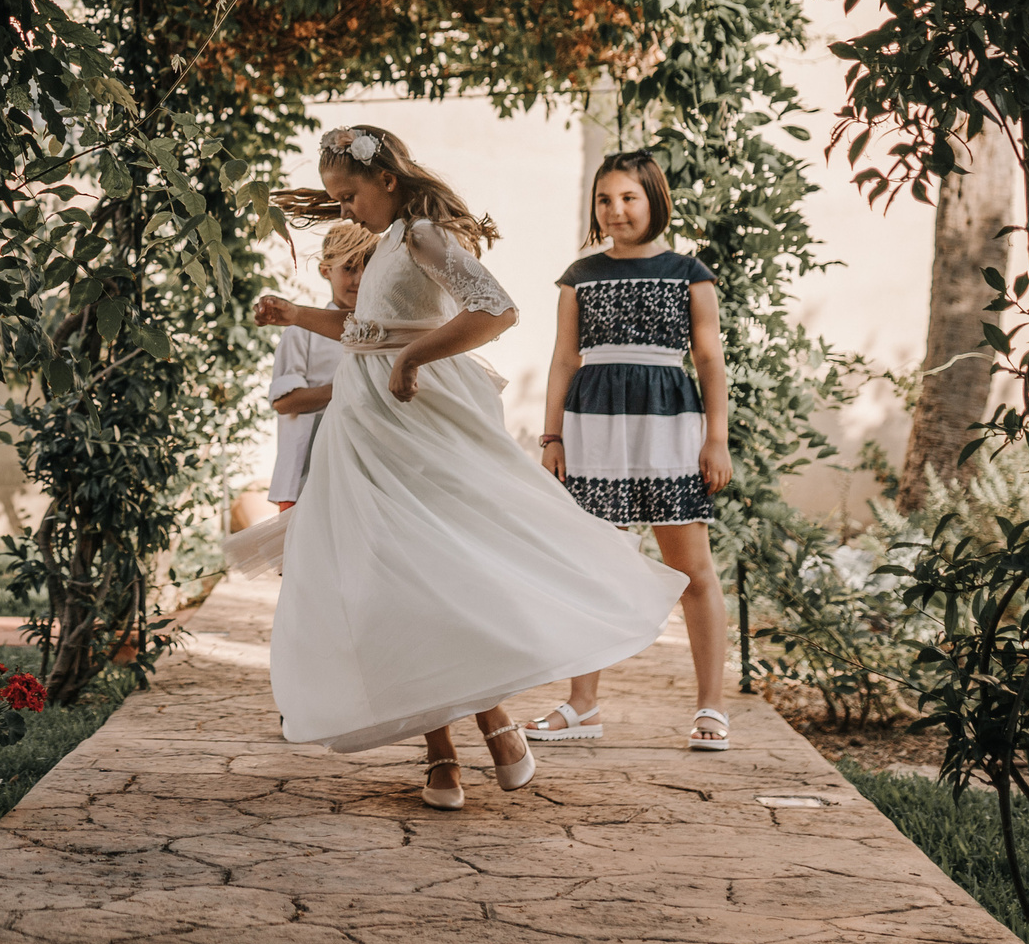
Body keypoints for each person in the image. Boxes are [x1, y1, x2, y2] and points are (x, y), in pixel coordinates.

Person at [247, 125, 685, 810]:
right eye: (335, 200)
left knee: (442, 575)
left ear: (386, 179)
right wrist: (294, 314)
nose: (344, 210)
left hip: (416, 424)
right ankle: (444, 750)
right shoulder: (386, 241)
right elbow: (368, 333)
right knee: (385, 585)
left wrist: (414, 360)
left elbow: (496, 311)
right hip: (363, 434)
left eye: (350, 194)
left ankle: (496, 724)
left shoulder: (421, 235)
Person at [526, 148, 737, 751]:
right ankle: (582, 705)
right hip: (593, 426)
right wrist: (552, 437)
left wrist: (715, 439)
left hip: (669, 426)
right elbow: (564, 358)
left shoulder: (688, 272)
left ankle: (711, 708)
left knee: (691, 569)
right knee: (590, 567)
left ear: (654, 201)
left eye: (628, 198)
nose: (615, 210)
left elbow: (709, 359)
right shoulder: (580, 276)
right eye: (604, 199)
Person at [266, 222, 378, 512]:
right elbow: (284, 402)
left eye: (368, 266)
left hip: (365, 469)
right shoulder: (300, 331)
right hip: (307, 473)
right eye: (349, 268)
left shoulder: (382, 332)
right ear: (325, 269)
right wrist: (350, 386)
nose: (359, 278)